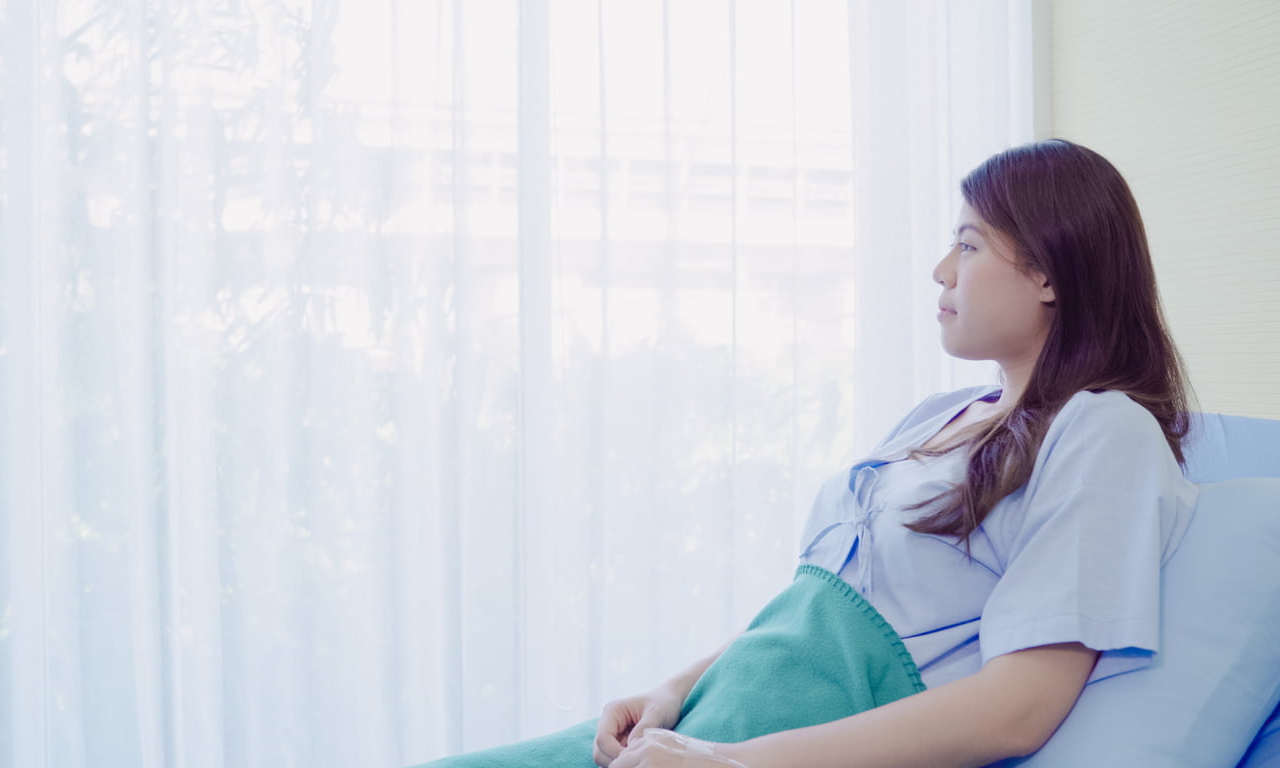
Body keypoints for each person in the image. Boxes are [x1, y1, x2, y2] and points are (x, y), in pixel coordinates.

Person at [416, 139, 1198, 768]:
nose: (939, 270)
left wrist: (733, 761)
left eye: (967, 244)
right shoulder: (941, 416)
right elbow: (814, 607)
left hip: (780, 740)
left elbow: (1019, 707)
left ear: (1048, 272)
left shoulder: (1102, 432)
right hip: (717, 717)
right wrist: (674, 689)